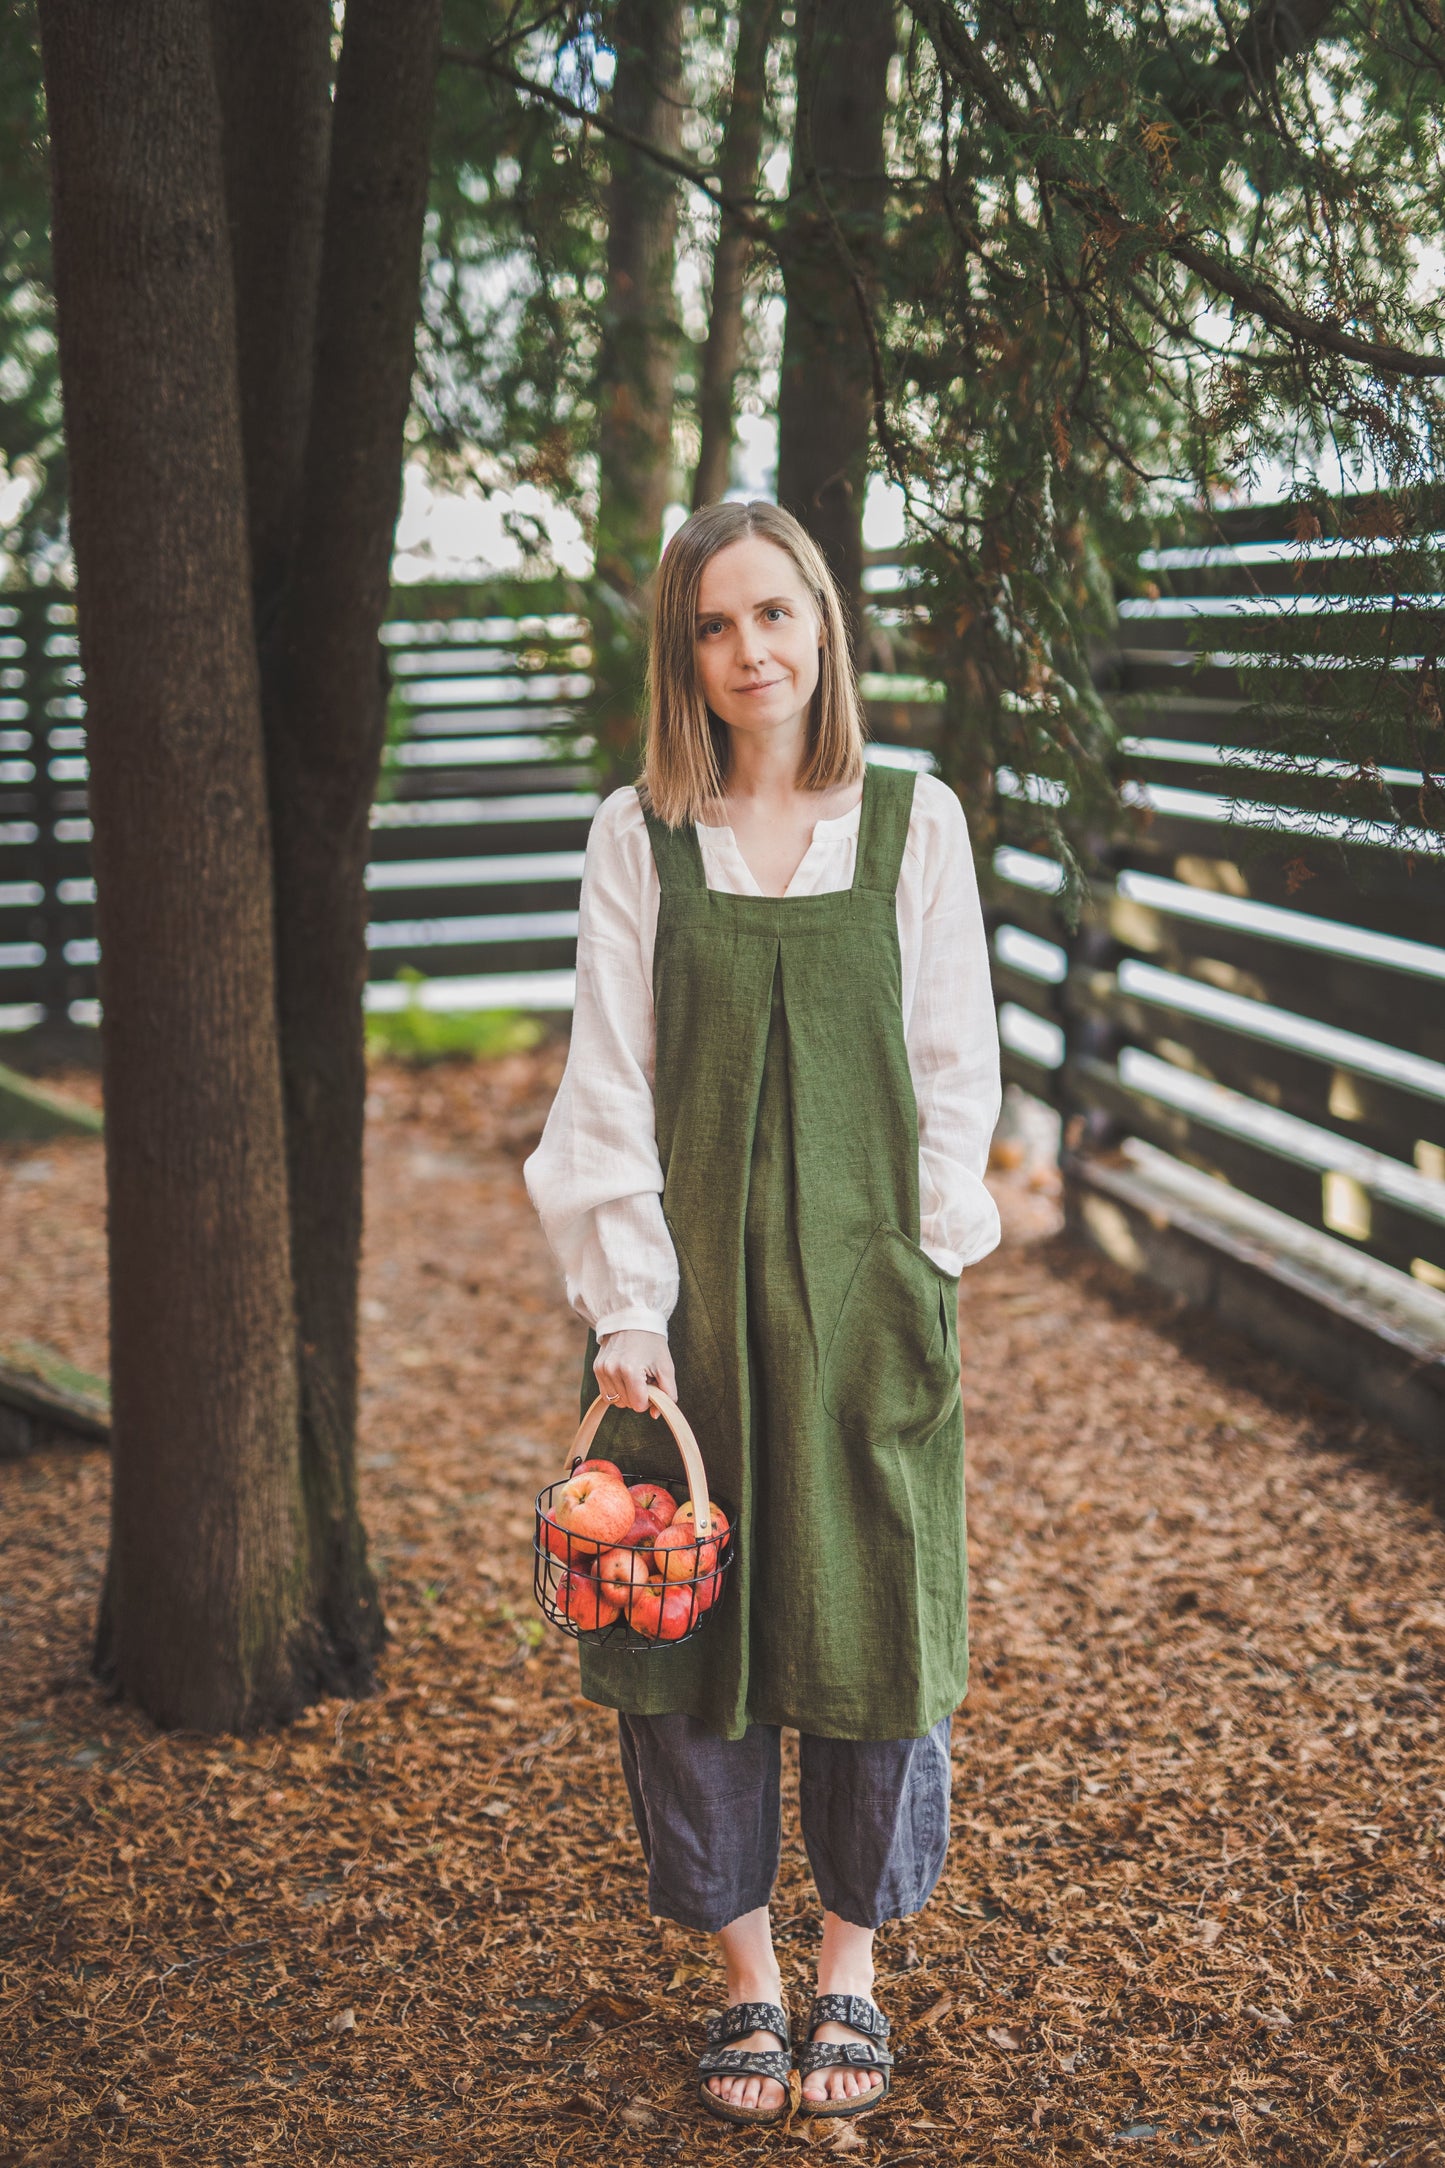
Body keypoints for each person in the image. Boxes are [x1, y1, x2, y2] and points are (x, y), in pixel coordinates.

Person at [525, 499, 1001, 2125]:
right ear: (684, 649)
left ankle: (851, 1974)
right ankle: (745, 1981)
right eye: (715, 626)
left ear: (822, 623)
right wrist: (627, 1310)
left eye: (775, 615)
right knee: (687, 1631)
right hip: (692, 1325)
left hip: (872, 1301)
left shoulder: (914, 819)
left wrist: (927, 1263)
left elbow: (953, 1071)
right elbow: (607, 1089)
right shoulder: (637, 833)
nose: (750, 653)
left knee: (873, 1631)